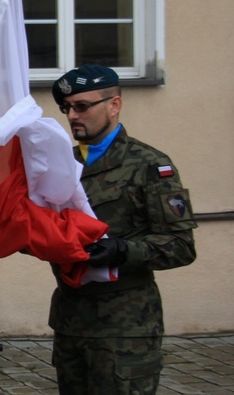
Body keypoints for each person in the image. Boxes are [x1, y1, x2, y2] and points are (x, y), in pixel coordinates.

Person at [49, 65, 196, 394]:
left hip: (125, 327)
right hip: (71, 322)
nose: (72, 115)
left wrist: (124, 250)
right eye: (67, 108)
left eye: (82, 106)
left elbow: (181, 245)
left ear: (114, 105)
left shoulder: (149, 165)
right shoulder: (60, 165)